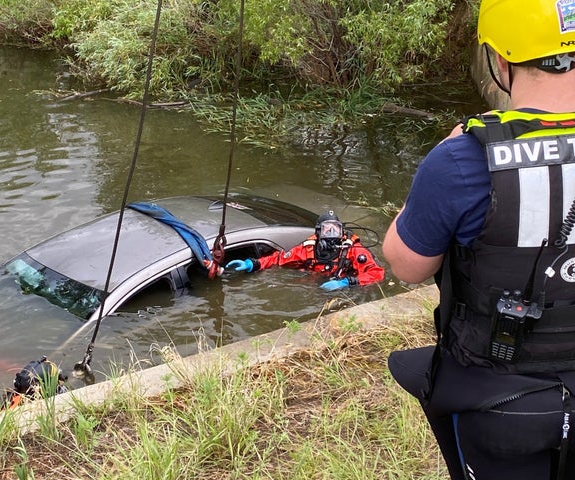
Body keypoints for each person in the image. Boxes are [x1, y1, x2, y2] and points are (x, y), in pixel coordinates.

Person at [383, 1, 575, 479]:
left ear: (500, 59)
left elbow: (406, 266)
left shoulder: (462, 160)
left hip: (501, 403)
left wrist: (433, 178)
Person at [225, 210, 384, 290]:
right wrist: (253, 264)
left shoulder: (353, 251)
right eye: (326, 230)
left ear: (342, 232)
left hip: (342, 286)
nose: (331, 235)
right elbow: (279, 259)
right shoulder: (307, 250)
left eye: (335, 230)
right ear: (317, 232)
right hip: (315, 283)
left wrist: (348, 282)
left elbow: (376, 273)